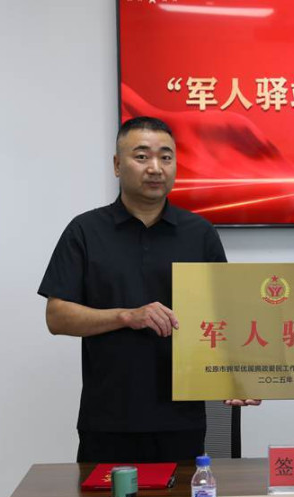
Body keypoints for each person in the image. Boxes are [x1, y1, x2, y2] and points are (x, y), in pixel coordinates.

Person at [38, 117, 259, 463]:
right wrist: (126, 316)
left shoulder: (199, 233)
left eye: (166, 157)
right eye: (141, 157)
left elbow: (224, 317)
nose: (156, 168)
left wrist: (242, 375)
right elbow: (57, 316)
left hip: (181, 418)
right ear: (117, 165)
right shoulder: (85, 231)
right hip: (108, 418)